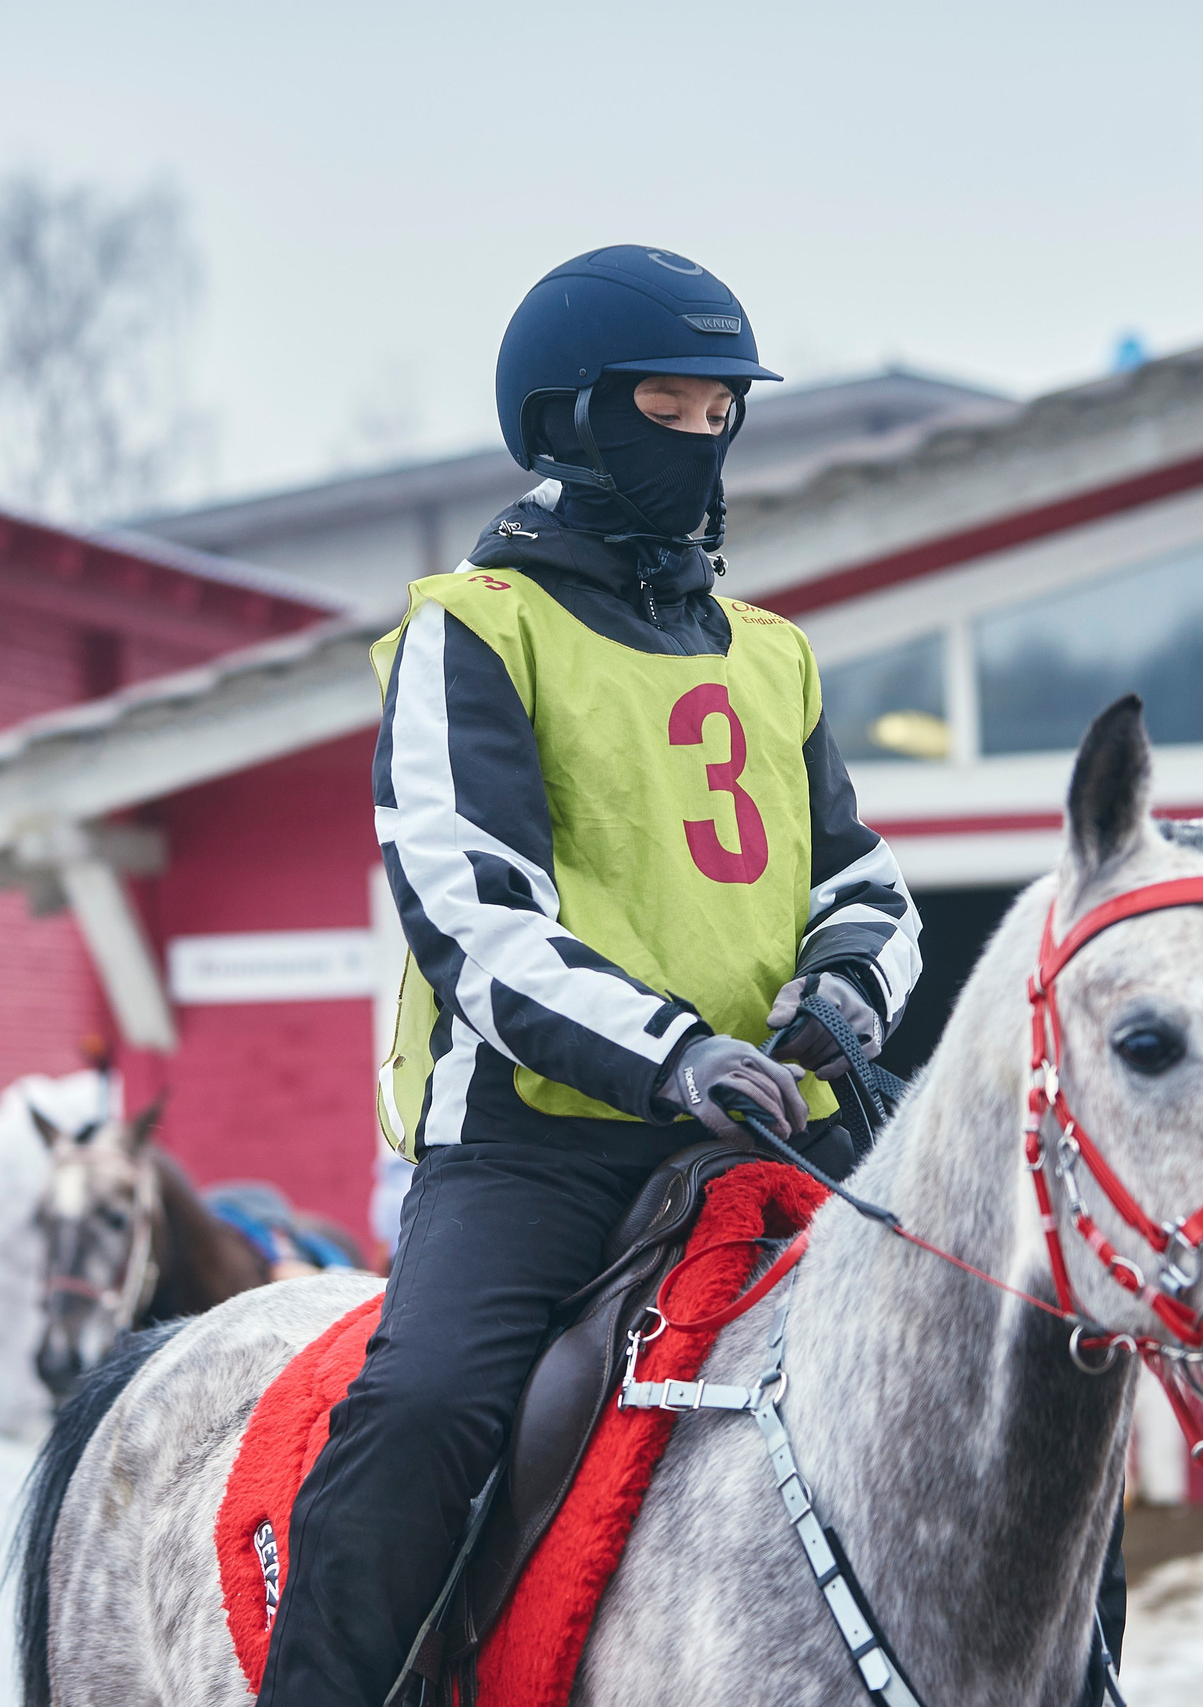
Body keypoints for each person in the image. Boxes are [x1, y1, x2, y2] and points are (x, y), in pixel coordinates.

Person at [254, 246, 924, 1707]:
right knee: (424, 1408)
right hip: (539, 1143)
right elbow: (471, 912)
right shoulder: (472, 629)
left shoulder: (775, 654)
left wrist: (844, 996)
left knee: (1006, 1346)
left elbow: (863, 883)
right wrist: (678, 1051)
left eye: (717, 414)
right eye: (662, 408)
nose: (696, 442)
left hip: (773, 1118)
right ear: (566, 423)